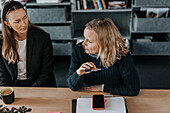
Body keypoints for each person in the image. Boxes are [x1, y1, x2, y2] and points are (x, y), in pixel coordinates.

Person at [66, 18, 140, 96]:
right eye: (84, 38)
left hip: (114, 95)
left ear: (104, 44)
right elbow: (72, 86)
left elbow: (133, 89)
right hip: (87, 94)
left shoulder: (122, 55)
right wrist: (78, 73)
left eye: (89, 41)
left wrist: (103, 88)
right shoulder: (78, 51)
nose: (83, 43)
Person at [0, 0, 56, 87]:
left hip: (39, 85)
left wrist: (32, 90)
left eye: (25, 17)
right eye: (17, 21)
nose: (23, 24)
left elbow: (46, 71)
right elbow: (2, 76)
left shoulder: (42, 38)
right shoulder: (1, 43)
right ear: (7, 23)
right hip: (14, 85)